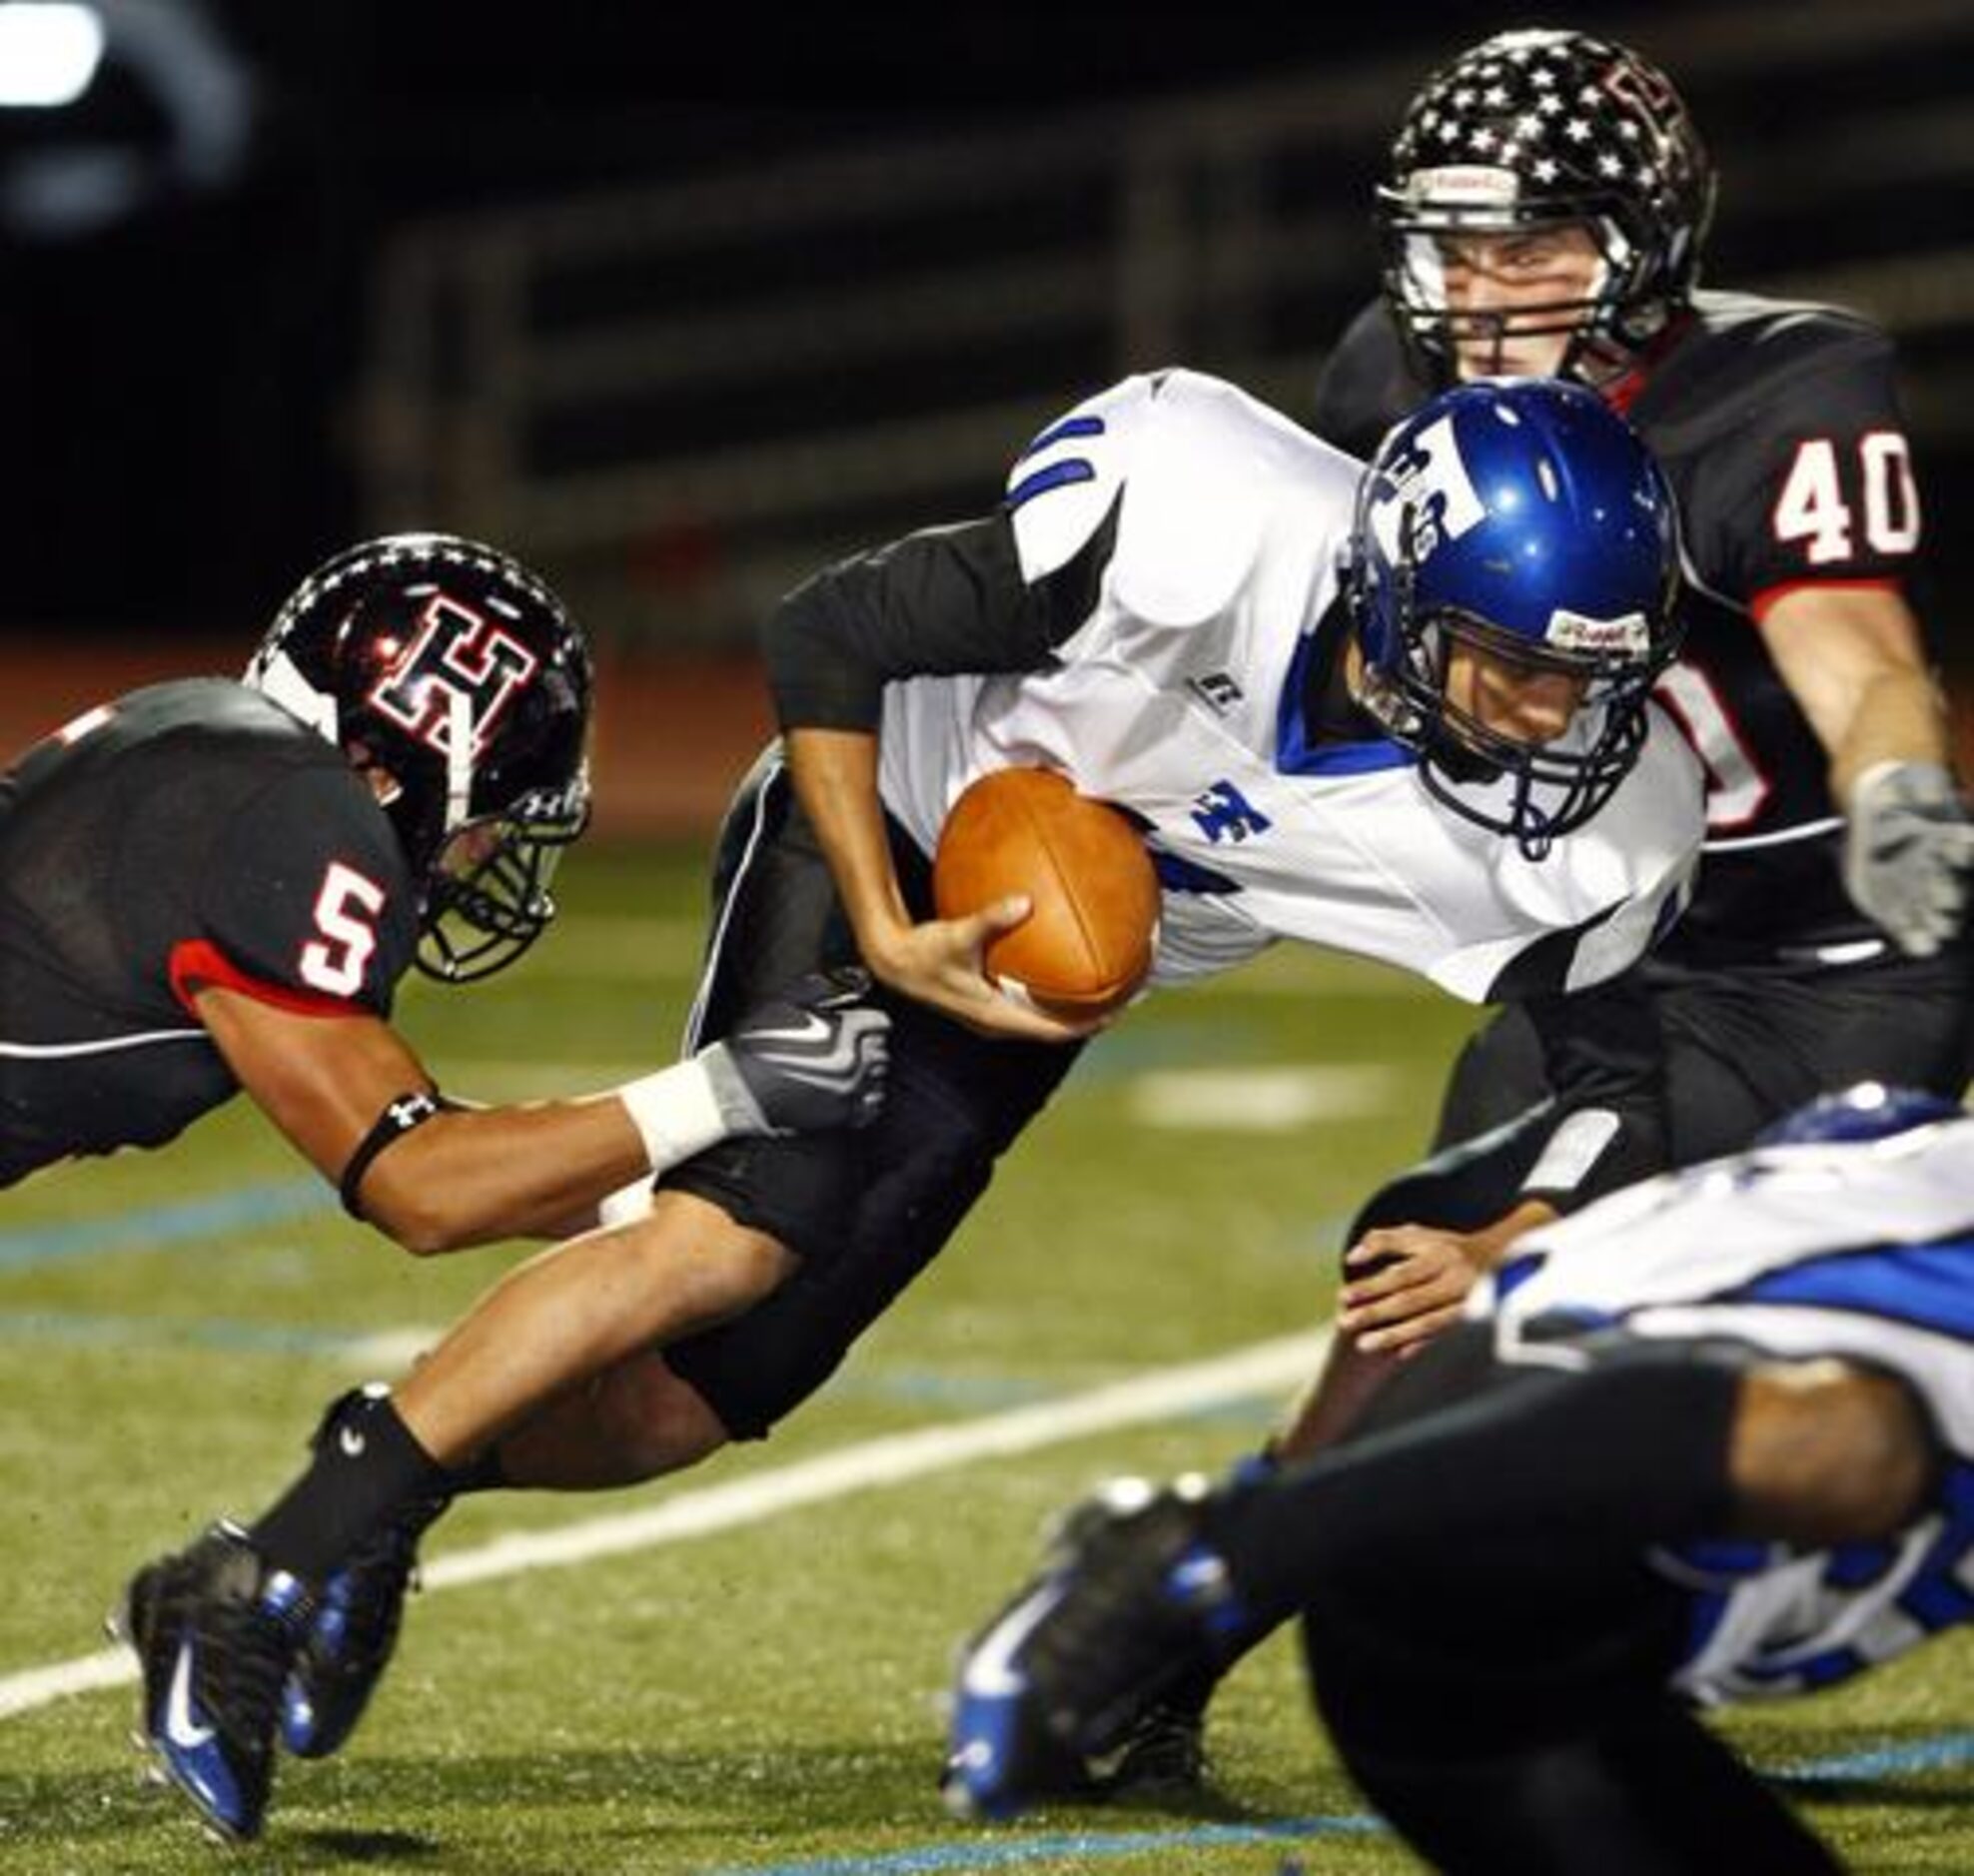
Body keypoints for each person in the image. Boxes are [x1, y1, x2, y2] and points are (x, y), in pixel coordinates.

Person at [115, 369, 1705, 1842]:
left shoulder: (1587, 825)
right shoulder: (1206, 520)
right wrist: (880, 925)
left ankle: (382, 1476)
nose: (1552, 722)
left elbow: (1619, 1079)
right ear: (1397, 590)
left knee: (698, 1402)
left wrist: (1521, 1227)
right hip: (880, 822)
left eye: (1587, 679)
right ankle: (261, 1571)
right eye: (1516, 669)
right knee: (737, 1236)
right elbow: (831, 632)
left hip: (1032, 965)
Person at [1098, 30, 1974, 1792]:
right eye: (1456, 245)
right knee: (1419, 1287)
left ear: (1647, 243)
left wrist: (1894, 790)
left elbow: (1860, 655)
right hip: (1602, 938)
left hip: (1828, 959)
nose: (1483, 293)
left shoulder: (1785, 389)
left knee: (1851, 1333)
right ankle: (1173, 1635)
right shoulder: (1383, 377)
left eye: (1536, 248)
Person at [946, 1081, 1974, 1874]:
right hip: (1518, 1480)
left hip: (1481, 1592)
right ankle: (1200, 1555)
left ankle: (1226, 1551)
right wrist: (1241, 1551)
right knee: (1856, 1445)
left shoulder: (1848, 1195)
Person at [0, 530, 891, 1249]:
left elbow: (413, 1135)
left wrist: (664, 1199)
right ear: (407, 767)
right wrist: (729, 1088)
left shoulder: (217, 743)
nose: (482, 855)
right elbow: (419, 1183)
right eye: (494, 825)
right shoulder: (293, 815)